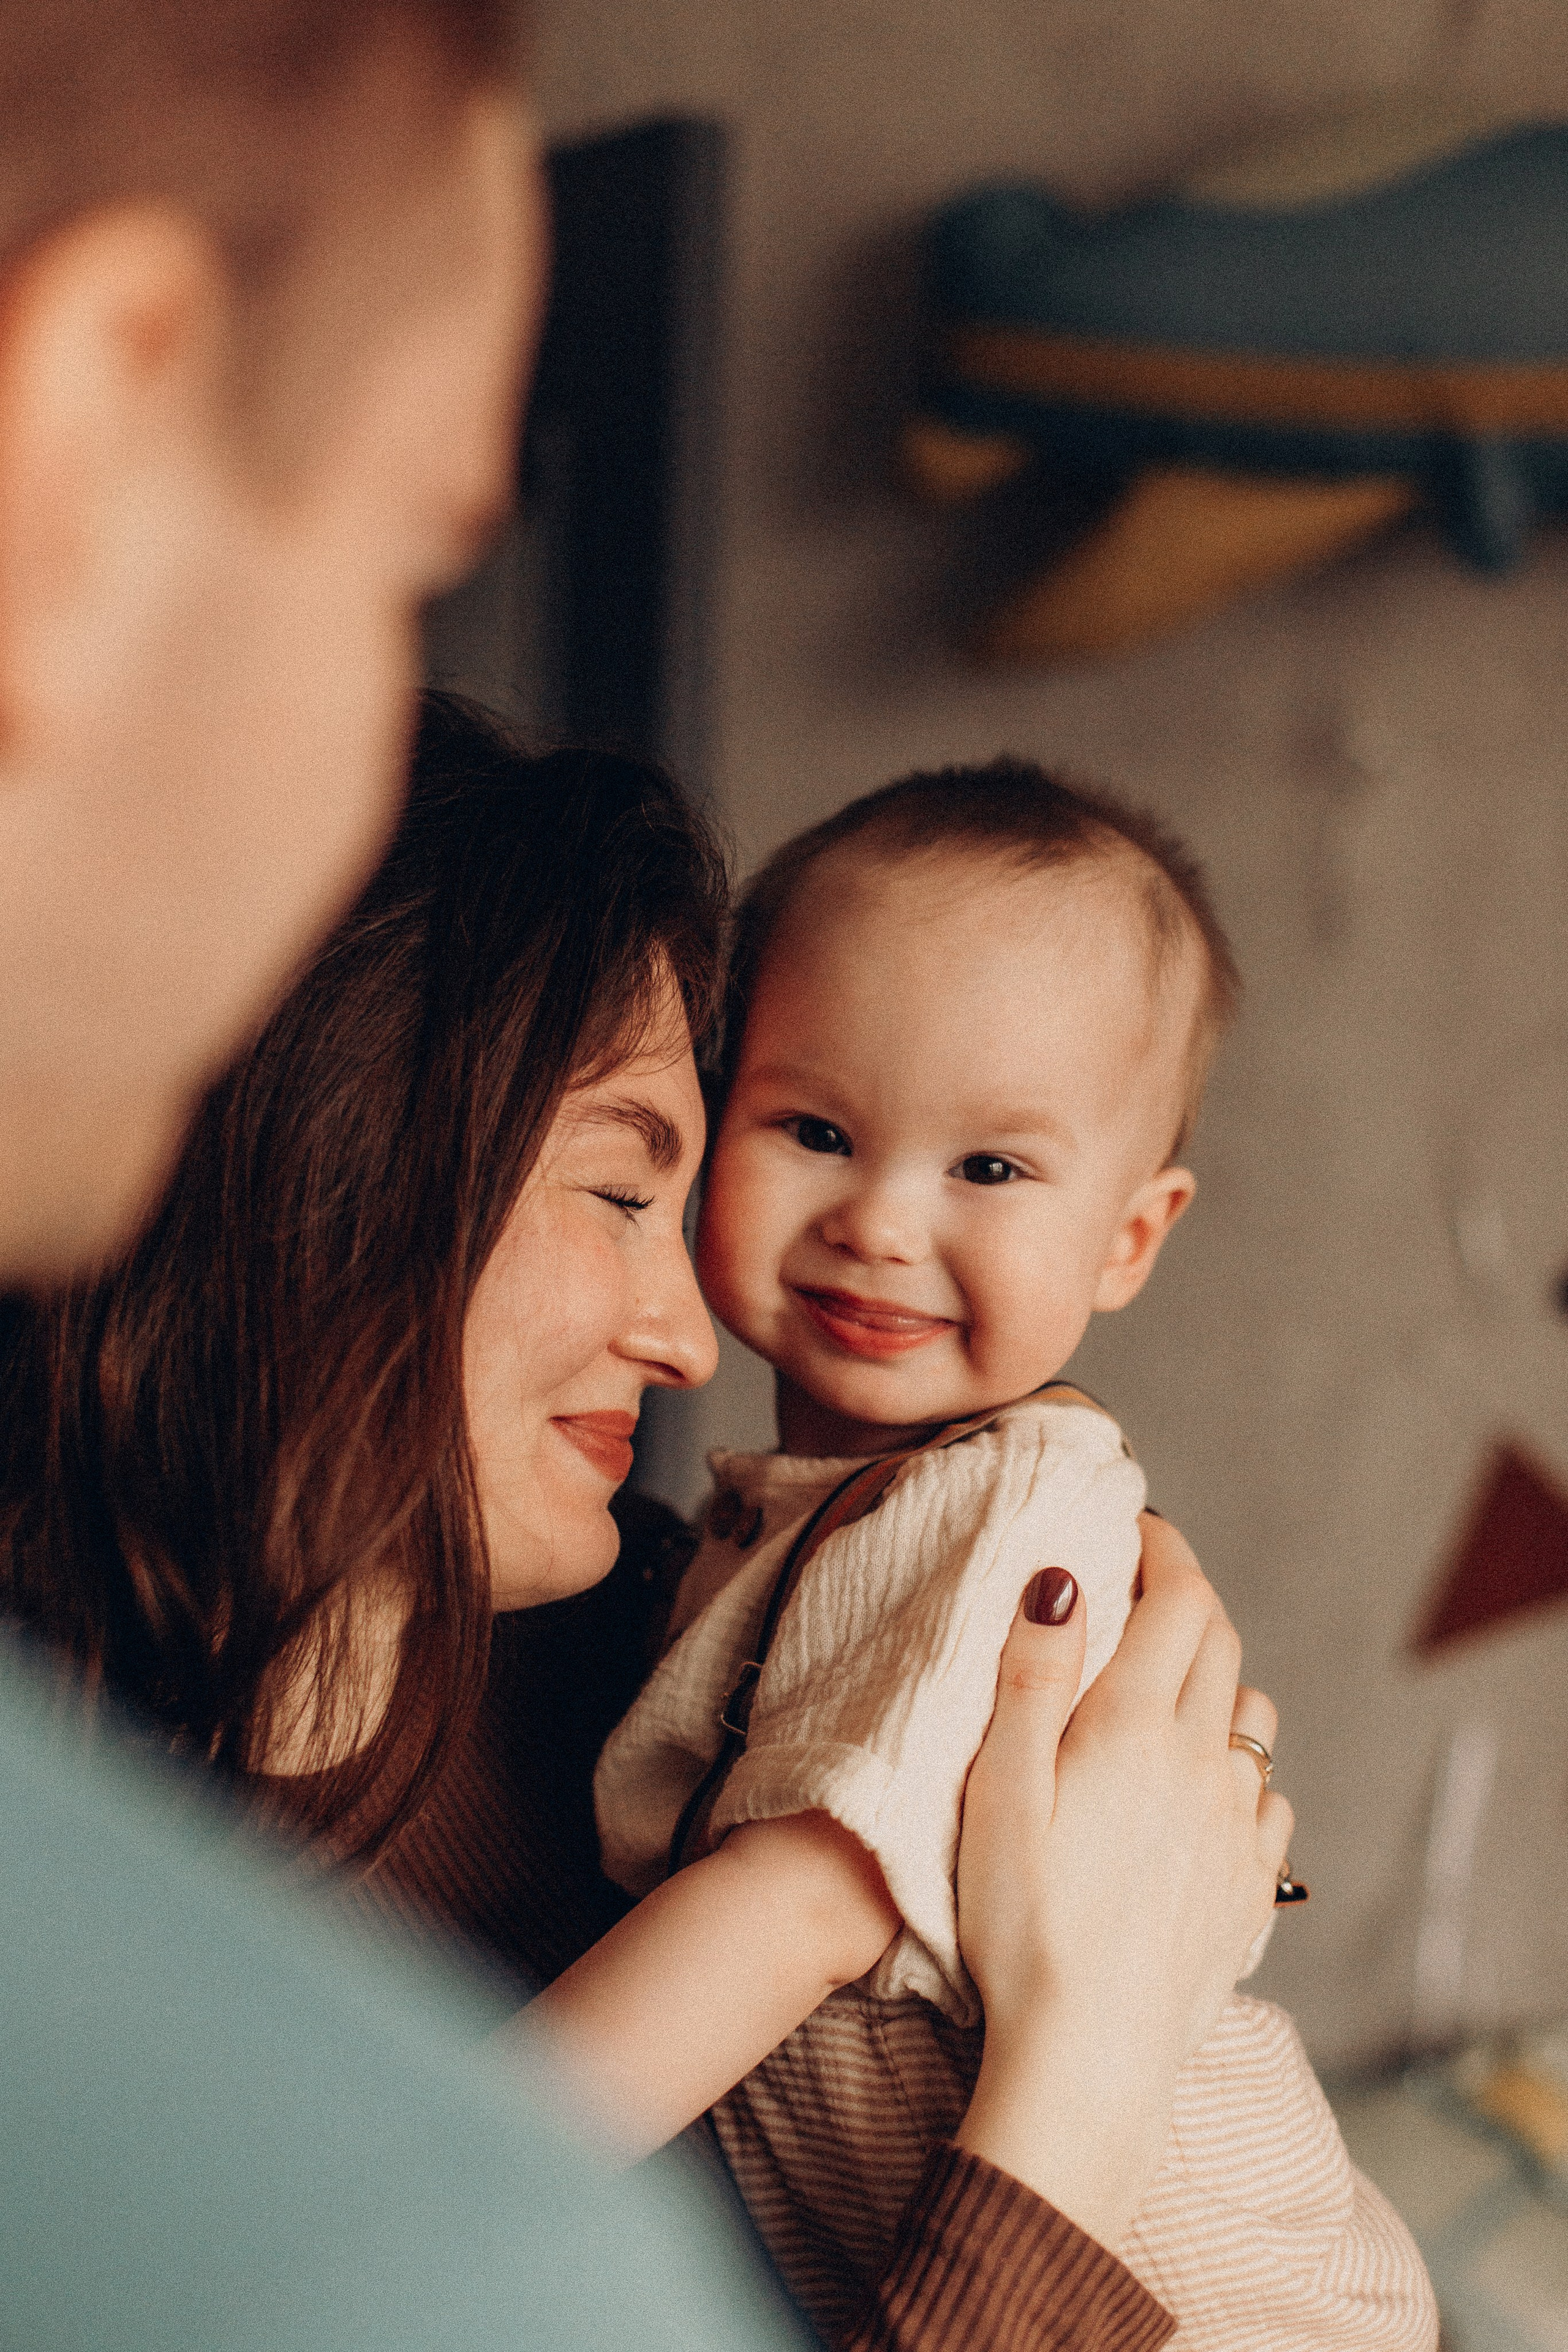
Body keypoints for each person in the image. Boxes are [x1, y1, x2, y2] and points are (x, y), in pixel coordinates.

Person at [4, 698, 1292, 2349]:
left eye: (992, 1169)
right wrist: (1080, 2081)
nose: (691, 1338)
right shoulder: (90, 1935)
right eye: (628, 1194)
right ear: (334, 1181)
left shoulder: (662, 1632)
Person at [540, 761, 1436, 2347]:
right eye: (815, 1127)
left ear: (1130, 1238)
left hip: (1212, 2297)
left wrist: (460, 2146)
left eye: (991, 1169)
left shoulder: (1010, 1505)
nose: (882, 1220)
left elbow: (803, 1902)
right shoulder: (770, 1518)